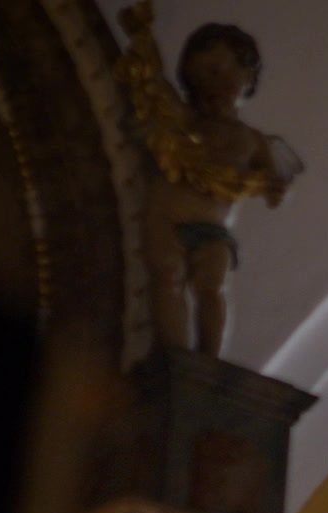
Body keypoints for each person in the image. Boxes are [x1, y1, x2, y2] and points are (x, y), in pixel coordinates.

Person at [115, 1, 302, 356]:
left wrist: (275, 189)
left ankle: (208, 361)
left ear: (247, 78)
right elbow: (154, 89)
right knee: (167, 278)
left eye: (219, 71)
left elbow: (276, 183)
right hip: (165, 216)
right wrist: (142, 40)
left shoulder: (254, 141)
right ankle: (173, 355)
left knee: (211, 286)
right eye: (199, 76)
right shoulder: (185, 120)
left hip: (213, 226)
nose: (210, 83)